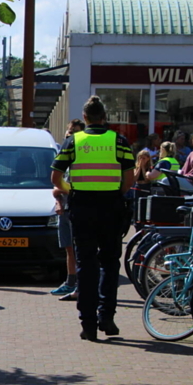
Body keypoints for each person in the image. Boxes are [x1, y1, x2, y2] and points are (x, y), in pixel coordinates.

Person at [51, 96, 135, 342]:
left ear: (85, 118)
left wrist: (71, 190)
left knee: (85, 265)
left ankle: (88, 325)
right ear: (104, 117)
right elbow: (129, 179)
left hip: (83, 208)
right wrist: (114, 194)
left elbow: (55, 178)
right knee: (109, 263)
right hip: (111, 207)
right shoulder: (119, 141)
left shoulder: (73, 142)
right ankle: (106, 317)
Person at [50, 119, 86, 300]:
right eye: (69, 131)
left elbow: (75, 185)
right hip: (63, 207)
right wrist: (58, 199)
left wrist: (59, 189)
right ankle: (70, 282)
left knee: (79, 247)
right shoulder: (64, 154)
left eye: (75, 132)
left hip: (76, 207)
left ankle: (80, 284)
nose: (70, 135)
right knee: (68, 247)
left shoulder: (82, 157)